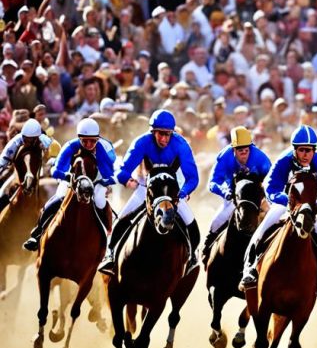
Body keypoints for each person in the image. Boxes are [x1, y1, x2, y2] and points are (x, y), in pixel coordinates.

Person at [98, 110, 201, 277]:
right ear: (153, 132)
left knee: (190, 221)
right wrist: (127, 180)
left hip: (171, 191)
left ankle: (193, 257)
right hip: (147, 189)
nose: (164, 139)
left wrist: (184, 192)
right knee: (123, 218)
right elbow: (123, 170)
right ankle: (110, 255)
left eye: (168, 135)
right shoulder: (142, 142)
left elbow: (193, 178)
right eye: (160, 134)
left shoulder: (181, 144)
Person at [239, 125, 317, 297]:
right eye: (302, 150)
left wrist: (312, 206)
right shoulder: (283, 161)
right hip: (284, 204)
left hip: (307, 206)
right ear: (294, 149)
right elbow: (270, 188)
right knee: (261, 231)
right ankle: (249, 269)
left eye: (310, 150)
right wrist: (288, 202)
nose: (306, 154)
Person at [22, 118, 116, 251]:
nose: (89, 144)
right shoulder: (71, 146)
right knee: (60, 196)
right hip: (74, 179)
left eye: (93, 141)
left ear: (98, 138)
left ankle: (108, 240)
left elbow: (113, 172)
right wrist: (66, 176)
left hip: (97, 180)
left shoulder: (105, 148)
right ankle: (37, 233)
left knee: (100, 200)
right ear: (79, 138)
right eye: (84, 141)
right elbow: (56, 169)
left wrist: (106, 183)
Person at [202, 126, 272, 260]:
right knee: (216, 222)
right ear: (233, 149)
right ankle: (206, 251)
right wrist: (225, 192)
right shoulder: (224, 157)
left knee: (275, 220)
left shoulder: (261, 158)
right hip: (234, 196)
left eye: (247, 149)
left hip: (257, 198)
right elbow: (213, 182)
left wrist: (265, 198)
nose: (244, 153)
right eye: (240, 150)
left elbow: (271, 182)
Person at [0, 119, 53, 213]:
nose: (26, 142)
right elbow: (3, 159)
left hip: (41, 171)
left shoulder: (45, 141)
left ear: (37, 138)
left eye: (29, 140)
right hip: (17, 172)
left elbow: (53, 155)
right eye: (25, 139)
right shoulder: (16, 141)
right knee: (2, 192)